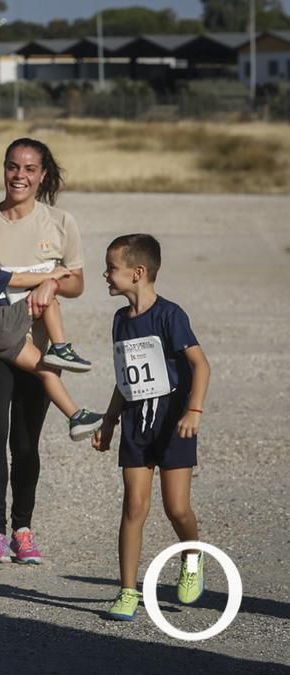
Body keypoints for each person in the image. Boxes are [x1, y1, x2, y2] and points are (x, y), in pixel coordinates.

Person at [0, 137, 86, 565]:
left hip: (39, 354)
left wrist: (52, 282)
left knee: (25, 443)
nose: (19, 176)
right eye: (13, 166)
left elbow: (77, 283)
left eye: (29, 169)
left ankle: (22, 531)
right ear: (4, 168)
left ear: (43, 175)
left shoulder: (61, 221)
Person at [91, 234, 211, 622]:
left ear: (137, 273)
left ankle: (192, 555)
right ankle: (127, 591)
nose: (105, 274)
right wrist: (109, 421)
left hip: (174, 425)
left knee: (176, 508)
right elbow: (124, 378)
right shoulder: (119, 320)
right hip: (135, 427)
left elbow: (201, 365)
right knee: (134, 507)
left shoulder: (170, 315)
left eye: (112, 268)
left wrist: (193, 410)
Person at [0, 206, 103, 441]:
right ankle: (61, 348)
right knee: (44, 295)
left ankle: (76, 417)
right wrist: (52, 276)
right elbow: (19, 279)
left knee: (46, 370)